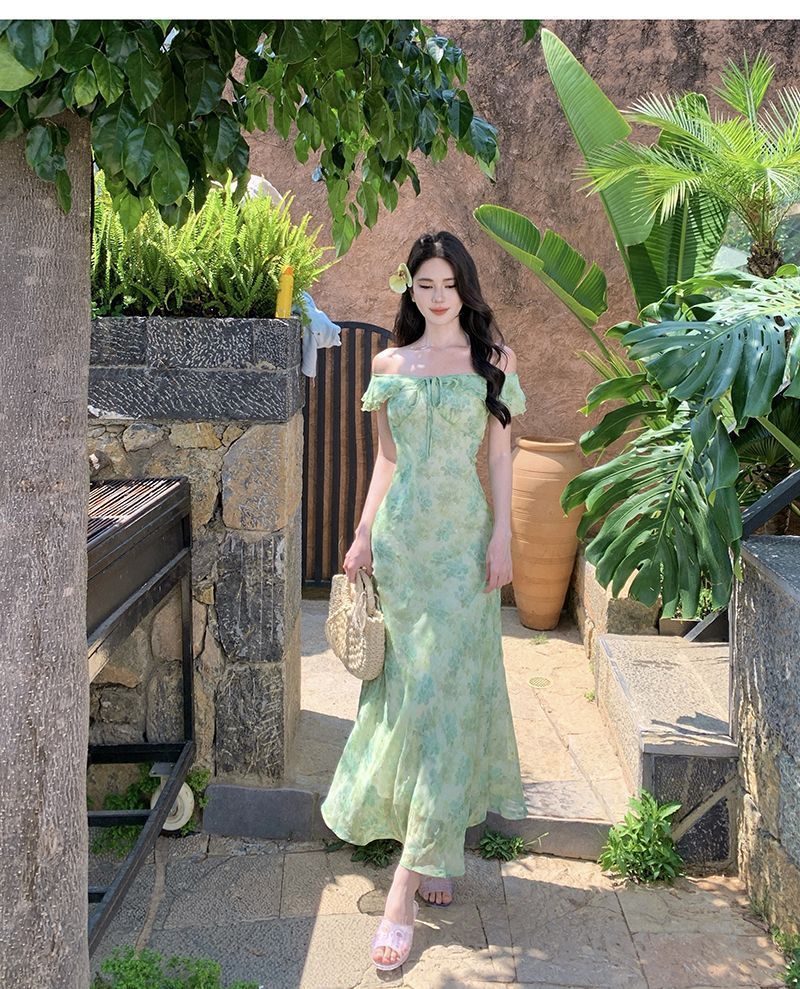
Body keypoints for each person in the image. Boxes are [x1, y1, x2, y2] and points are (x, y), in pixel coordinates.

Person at [319, 230, 528, 972]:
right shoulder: (389, 365)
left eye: (449, 283)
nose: (437, 296)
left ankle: (404, 892)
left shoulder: (494, 364)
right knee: (410, 698)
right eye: (424, 284)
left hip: (463, 551)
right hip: (404, 548)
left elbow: (499, 457)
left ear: (465, 287)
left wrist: (502, 536)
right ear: (410, 288)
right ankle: (431, 847)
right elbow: (386, 459)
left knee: (447, 695)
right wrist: (362, 535)